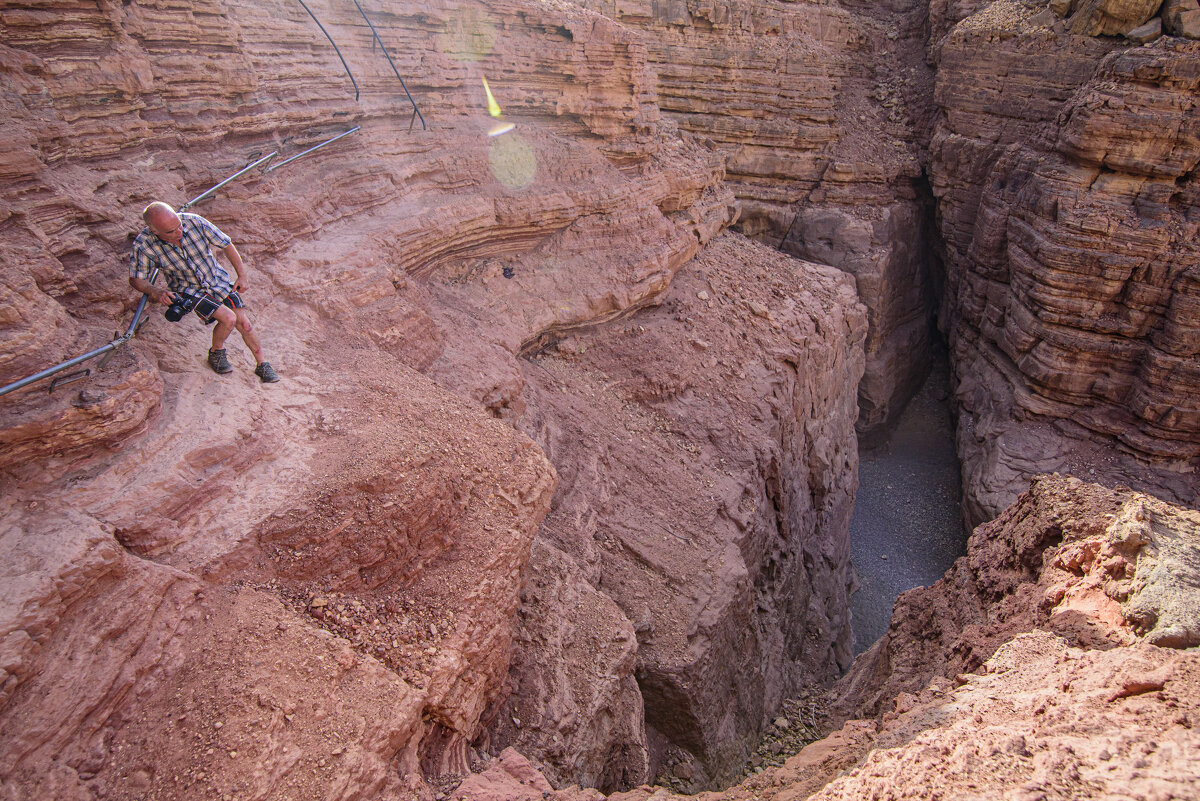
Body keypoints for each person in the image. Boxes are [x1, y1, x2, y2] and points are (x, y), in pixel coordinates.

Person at [128, 201, 279, 383]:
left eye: (179, 226)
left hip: (216, 280)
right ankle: (216, 352)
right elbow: (136, 278)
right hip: (187, 288)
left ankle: (262, 364)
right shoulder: (144, 245)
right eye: (171, 231)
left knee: (244, 324)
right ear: (154, 231)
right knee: (228, 318)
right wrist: (157, 292)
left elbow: (226, 244)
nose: (179, 232)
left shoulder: (194, 222)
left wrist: (242, 275)